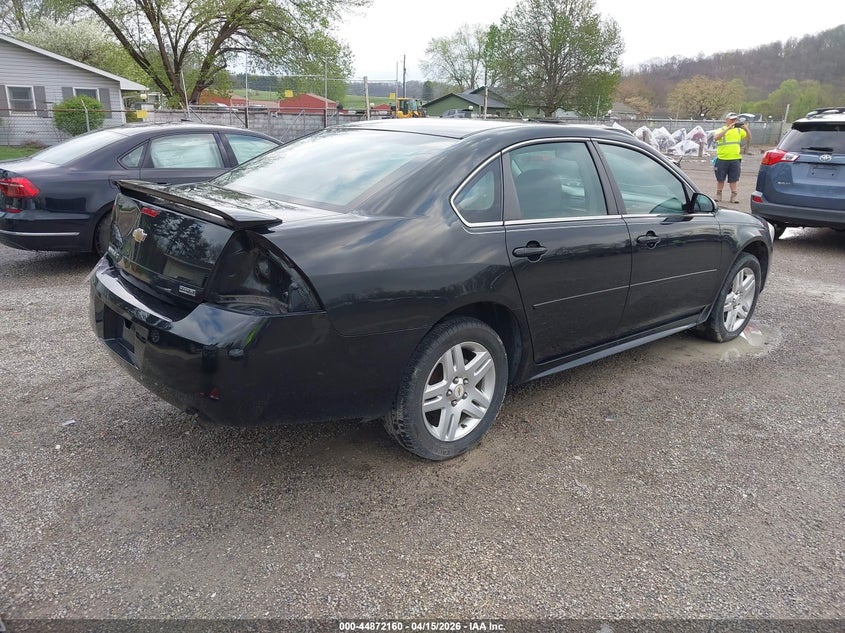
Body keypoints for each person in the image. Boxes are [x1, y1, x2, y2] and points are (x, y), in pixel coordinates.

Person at [712, 112, 751, 203]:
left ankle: (734, 196)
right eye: (732, 119)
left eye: (735, 119)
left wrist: (745, 128)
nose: (734, 121)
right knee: (720, 178)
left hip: (735, 158)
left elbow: (749, 138)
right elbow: (716, 137)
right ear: (727, 120)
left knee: (734, 179)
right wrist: (728, 128)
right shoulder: (721, 129)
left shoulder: (738, 131)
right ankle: (719, 195)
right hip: (722, 158)